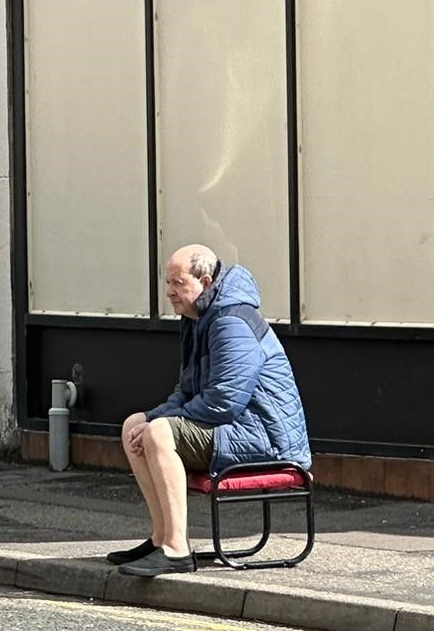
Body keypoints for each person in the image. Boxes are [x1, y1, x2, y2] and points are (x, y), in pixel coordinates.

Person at [108, 244, 310, 577]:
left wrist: (161, 425)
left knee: (160, 432)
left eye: (177, 282)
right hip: (235, 428)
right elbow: (186, 390)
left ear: (204, 280)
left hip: (266, 438)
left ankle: (176, 550)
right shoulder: (198, 317)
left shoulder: (230, 320)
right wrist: (154, 418)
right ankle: (162, 538)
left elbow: (223, 400)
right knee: (136, 423)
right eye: (167, 282)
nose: (169, 291)